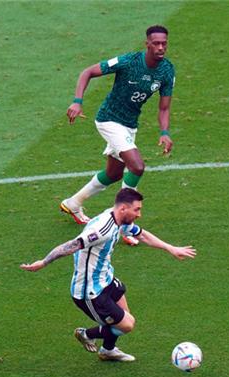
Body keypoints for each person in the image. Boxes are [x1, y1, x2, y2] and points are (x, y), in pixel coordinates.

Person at [22, 188, 195, 361]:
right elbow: (72, 245)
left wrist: (170, 248)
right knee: (127, 325)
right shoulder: (101, 230)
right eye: (137, 210)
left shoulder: (120, 220)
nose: (139, 214)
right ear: (123, 209)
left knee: (124, 316)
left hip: (105, 278)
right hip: (89, 291)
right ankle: (87, 334)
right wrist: (43, 262)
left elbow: (141, 235)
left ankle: (107, 350)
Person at [59, 25, 175, 246]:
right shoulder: (129, 62)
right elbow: (88, 72)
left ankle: (73, 203)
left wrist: (165, 132)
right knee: (137, 166)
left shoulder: (167, 71)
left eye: (164, 43)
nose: (161, 47)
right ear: (147, 44)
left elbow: (164, 108)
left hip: (129, 125)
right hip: (109, 120)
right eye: (156, 43)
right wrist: (77, 101)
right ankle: (125, 223)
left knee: (113, 174)